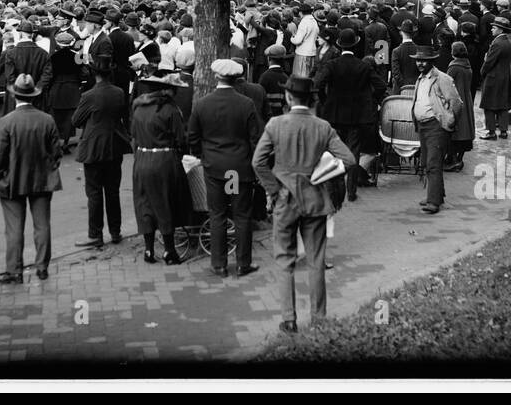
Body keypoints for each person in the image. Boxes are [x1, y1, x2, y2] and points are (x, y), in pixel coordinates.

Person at [252, 75, 355, 334]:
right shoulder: (323, 127)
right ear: (311, 100)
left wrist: (274, 189)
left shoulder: (275, 124)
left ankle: (289, 319)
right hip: (316, 200)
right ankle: (319, 318)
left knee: (285, 260)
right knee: (316, 260)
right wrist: (323, 173)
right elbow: (349, 159)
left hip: (285, 200)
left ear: (288, 97)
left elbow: (258, 162)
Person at [187, 59, 262, 278]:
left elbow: (193, 136)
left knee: (217, 214)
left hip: (214, 167)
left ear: (216, 77)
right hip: (238, 168)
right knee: (241, 215)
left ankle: (218, 263)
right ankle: (243, 263)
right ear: (236, 78)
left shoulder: (202, 104)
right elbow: (255, 138)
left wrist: (204, 155)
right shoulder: (246, 104)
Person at [0, 73, 62, 282]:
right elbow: (56, 152)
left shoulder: (5, 122)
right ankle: (42, 267)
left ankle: (15, 270)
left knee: (14, 228)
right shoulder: (47, 120)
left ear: (15, 96)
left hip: (13, 180)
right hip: (42, 179)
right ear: (33, 96)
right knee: (42, 225)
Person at [313, 28, 386, 201]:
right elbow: (381, 86)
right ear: (355, 44)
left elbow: (318, 84)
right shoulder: (363, 66)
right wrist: (368, 100)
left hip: (334, 114)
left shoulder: (332, 64)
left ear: (339, 44)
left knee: (333, 152)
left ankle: (333, 189)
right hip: (357, 116)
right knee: (353, 153)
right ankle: (351, 191)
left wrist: (326, 101)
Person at [130, 69, 192, 265]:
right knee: (166, 203)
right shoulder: (171, 110)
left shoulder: (138, 108)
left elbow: (134, 136)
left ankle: (148, 250)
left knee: (144, 203)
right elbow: (180, 139)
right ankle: (169, 251)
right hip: (164, 160)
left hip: (141, 158)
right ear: (168, 91)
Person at [71, 56, 129, 249]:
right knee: (112, 191)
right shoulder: (119, 92)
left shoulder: (89, 96)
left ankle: (95, 234)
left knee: (94, 192)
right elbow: (123, 115)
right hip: (114, 145)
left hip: (94, 147)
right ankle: (115, 231)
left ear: (94, 73)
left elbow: (76, 120)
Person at [408, 44, 464, 214]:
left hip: (436, 125)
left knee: (433, 162)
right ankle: (436, 194)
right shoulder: (421, 78)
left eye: (424, 61)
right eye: (418, 60)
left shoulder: (442, 78)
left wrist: (449, 121)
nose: (420, 63)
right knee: (427, 162)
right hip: (423, 125)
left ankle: (433, 201)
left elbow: (456, 103)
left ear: (431, 62)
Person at [478, 18, 511, 141]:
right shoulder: (508, 41)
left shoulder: (497, 43)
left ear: (500, 29)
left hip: (493, 77)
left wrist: (482, 72)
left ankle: (491, 132)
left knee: (489, 105)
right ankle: (503, 131)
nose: (492, 29)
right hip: (505, 76)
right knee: (503, 105)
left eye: (494, 27)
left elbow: (489, 62)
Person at [444, 40, 476, 172]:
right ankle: (459, 158)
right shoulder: (467, 66)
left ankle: (455, 160)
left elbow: (447, 83)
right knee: (465, 130)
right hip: (466, 100)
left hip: (455, 100)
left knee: (453, 130)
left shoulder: (454, 67)